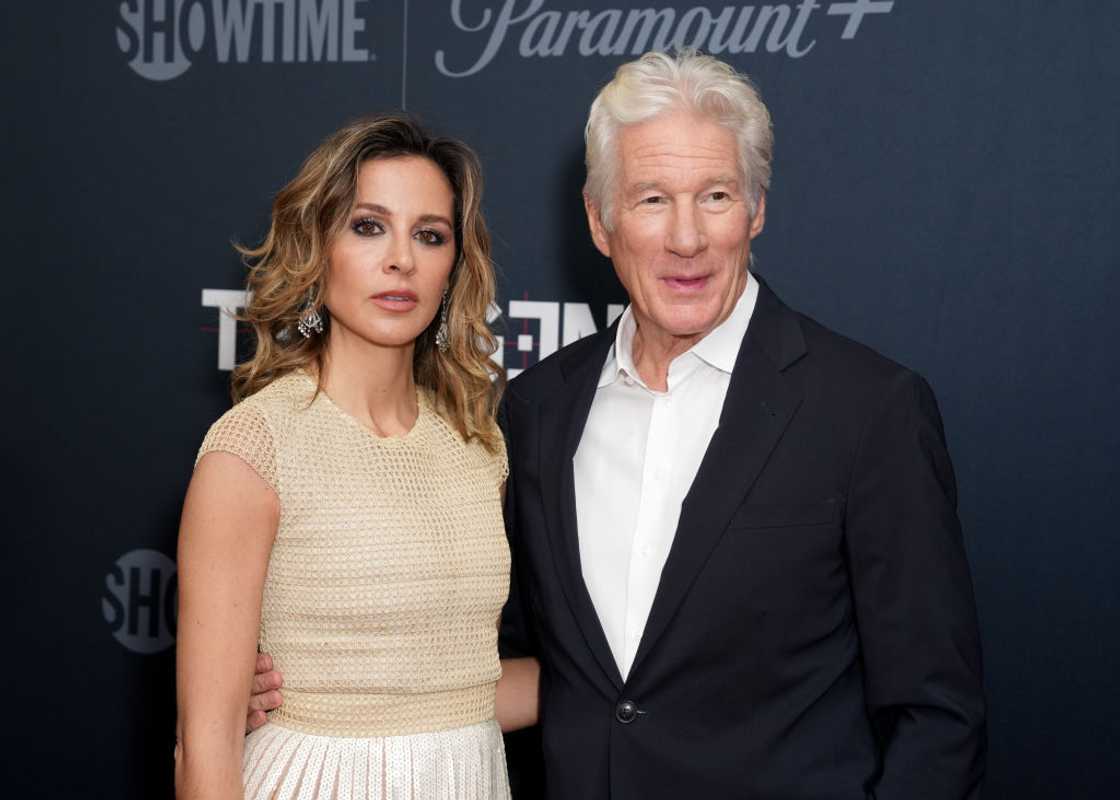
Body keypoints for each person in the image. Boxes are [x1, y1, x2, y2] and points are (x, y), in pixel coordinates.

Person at [252, 51, 987, 798]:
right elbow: (479, 652)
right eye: (651, 200)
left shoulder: (867, 409)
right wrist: (300, 688)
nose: (687, 239)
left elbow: (937, 715)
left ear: (758, 210)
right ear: (600, 221)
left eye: (717, 196)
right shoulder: (535, 413)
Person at [175, 114, 538, 800]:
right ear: (320, 247)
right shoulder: (254, 447)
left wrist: (637, 681)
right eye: (369, 226)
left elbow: (462, 689)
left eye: (429, 235)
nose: (401, 258)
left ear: (452, 267)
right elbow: (206, 750)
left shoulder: (478, 448)